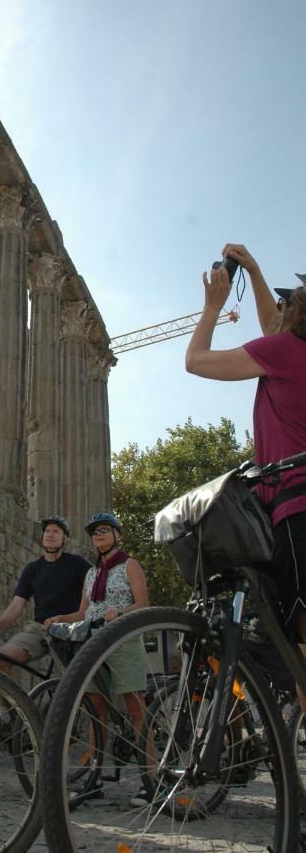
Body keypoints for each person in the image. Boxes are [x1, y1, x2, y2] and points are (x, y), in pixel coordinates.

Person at [186, 245, 306, 705]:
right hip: (291, 512)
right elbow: (271, 326)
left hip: (296, 512)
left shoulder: (284, 351)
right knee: (297, 658)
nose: (277, 308)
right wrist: (254, 270)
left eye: (285, 301)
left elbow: (196, 361)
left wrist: (212, 307)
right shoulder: (292, 351)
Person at [44, 512, 150, 806]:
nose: (98, 535)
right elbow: (84, 612)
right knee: (96, 711)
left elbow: (143, 603)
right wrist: (59, 618)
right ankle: (95, 779)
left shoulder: (130, 565)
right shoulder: (92, 574)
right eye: (94, 533)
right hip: (92, 642)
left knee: (136, 708)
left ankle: (149, 780)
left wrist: (121, 613)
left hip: (123, 639)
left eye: (104, 530)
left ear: (116, 534)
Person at [0, 516, 91, 677]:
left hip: (70, 628)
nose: (50, 534)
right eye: (47, 531)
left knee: (74, 681)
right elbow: (17, 606)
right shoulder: (33, 569)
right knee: (1, 659)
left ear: (65, 539)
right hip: (40, 628)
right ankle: (8, 703)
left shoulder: (78, 564)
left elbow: (96, 591)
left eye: (56, 531)